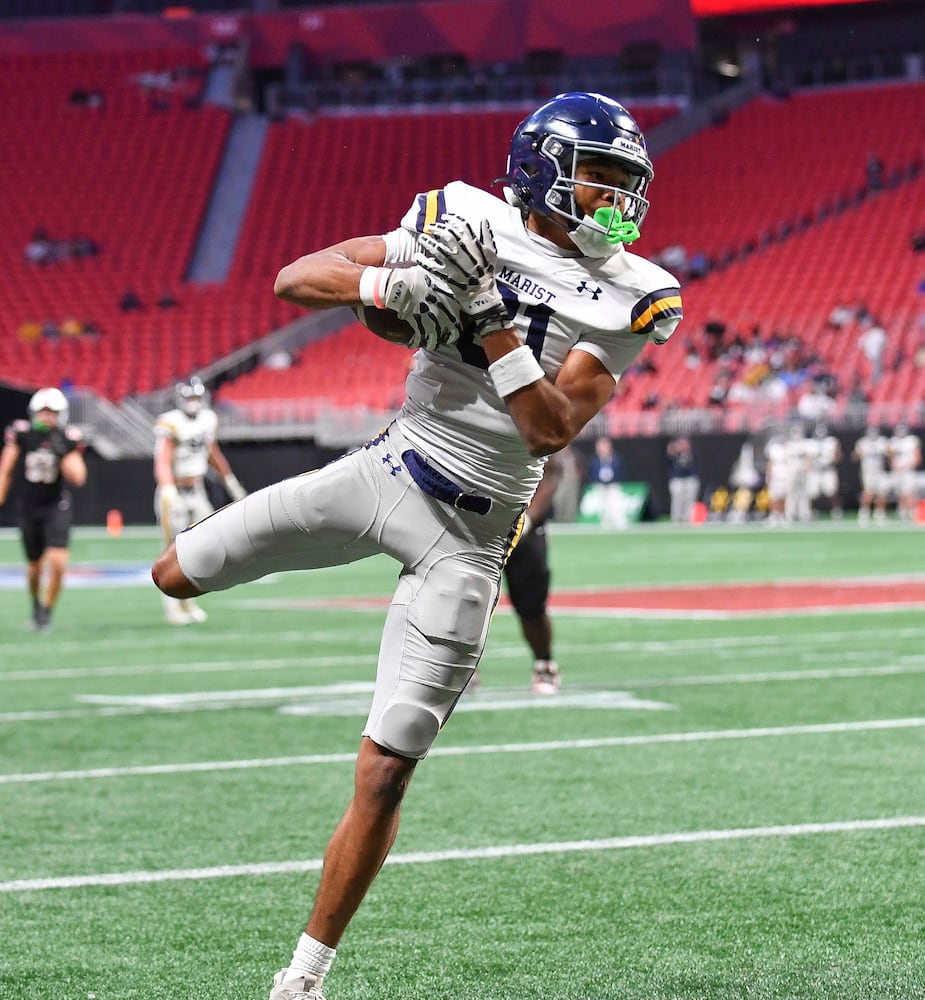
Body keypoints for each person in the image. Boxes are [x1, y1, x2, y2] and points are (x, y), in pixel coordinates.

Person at [151, 91, 681, 1000]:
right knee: (176, 572)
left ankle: (305, 975)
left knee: (387, 765)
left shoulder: (641, 292)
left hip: (472, 538)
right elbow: (296, 278)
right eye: (598, 180)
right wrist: (388, 288)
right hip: (390, 469)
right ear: (540, 169)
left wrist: (485, 315)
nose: (616, 203)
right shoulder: (462, 215)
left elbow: (550, 426)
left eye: (625, 185)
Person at [153, 377, 248, 625]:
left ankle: (189, 602)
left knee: (202, 545)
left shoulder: (208, 419)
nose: (193, 403)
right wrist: (166, 489)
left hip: (197, 489)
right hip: (175, 491)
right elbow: (162, 459)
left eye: (196, 398)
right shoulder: (171, 423)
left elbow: (211, 453)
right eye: (189, 398)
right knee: (171, 549)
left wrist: (229, 481)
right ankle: (172, 606)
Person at [0, 387, 87, 630]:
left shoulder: (66, 437)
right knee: (34, 566)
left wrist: (60, 451)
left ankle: (47, 609)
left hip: (56, 505)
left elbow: (79, 477)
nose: (47, 417)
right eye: (43, 412)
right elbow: (6, 468)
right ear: (34, 413)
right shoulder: (22, 434)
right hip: (29, 505)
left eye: (52, 412)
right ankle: (35, 604)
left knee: (58, 561)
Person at [503, 450, 563, 694]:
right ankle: (456, 672)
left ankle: (544, 664)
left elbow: (553, 470)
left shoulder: (533, 416)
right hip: (478, 519)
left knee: (531, 605)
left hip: (525, 523)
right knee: (463, 600)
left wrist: (527, 520)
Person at [587, 435, 627, 528]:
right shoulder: (594, 460)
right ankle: (606, 525)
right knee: (602, 507)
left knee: (615, 504)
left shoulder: (615, 458)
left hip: (613, 485)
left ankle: (620, 524)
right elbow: (591, 472)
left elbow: (621, 471)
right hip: (600, 486)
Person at [852, 425, 889, 523]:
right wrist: (861, 452)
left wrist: (887, 449)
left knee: (882, 493)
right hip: (868, 472)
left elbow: (890, 454)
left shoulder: (882, 441)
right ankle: (864, 512)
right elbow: (854, 457)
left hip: (880, 471)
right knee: (867, 493)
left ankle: (879, 513)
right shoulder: (863, 443)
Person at [887, 422, 922, 521]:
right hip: (898, 471)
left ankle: (912, 511)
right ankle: (902, 512)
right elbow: (890, 456)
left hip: (908, 470)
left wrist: (910, 465)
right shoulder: (893, 441)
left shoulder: (912, 440)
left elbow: (917, 457)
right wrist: (893, 464)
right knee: (900, 492)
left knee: (910, 491)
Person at [665, 436, 699, 523]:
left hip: (690, 478)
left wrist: (687, 452)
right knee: (677, 499)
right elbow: (668, 465)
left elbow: (694, 464)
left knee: (689, 499)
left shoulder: (692, 453)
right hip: (677, 479)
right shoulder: (673, 454)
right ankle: (676, 518)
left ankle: (687, 518)